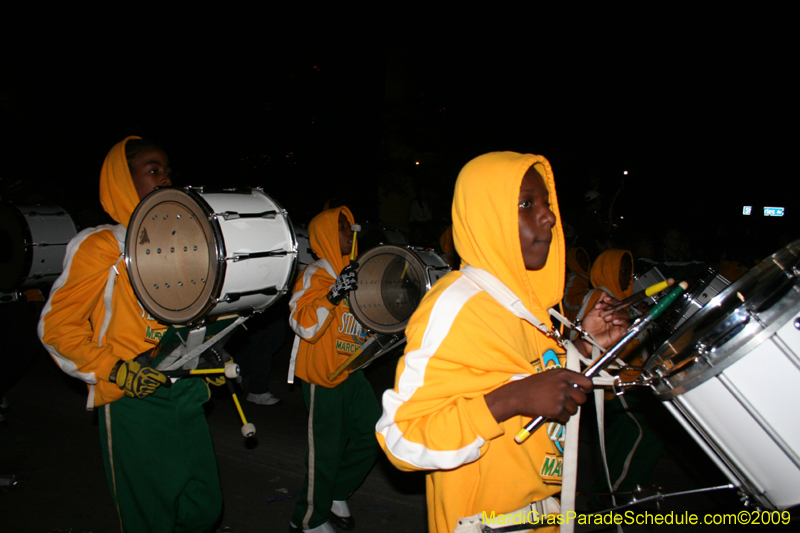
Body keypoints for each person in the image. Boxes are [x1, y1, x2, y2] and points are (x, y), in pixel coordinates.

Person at [376, 152, 630, 533]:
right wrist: (510, 401)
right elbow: (401, 438)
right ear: (486, 215)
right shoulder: (457, 305)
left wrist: (587, 347)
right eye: (526, 203)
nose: (548, 216)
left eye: (546, 203)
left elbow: (538, 375)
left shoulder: (530, 305)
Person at [38, 137, 222, 533]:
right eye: (153, 170)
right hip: (133, 399)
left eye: (168, 170)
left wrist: (208, 352)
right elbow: (56, 328)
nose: (166, 177)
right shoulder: (101, 245)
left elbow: (194, 319)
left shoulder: (183, 243)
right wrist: (114, 370)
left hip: (186, 392)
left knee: (204, 504)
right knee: (149, 515)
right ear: (123, 180)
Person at [287, 206, 382, 533]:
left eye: (350, 226)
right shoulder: (316, 273)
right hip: (321, 376)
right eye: (342, 227)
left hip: (351, 371)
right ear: (326, 233)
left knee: (374, 433)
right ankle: (306, 520)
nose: (351, 231)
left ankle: (337, 492)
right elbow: (303, 324)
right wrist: (333, 294)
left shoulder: (358, 270)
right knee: (324, 453)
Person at [562, 247, 591, 323]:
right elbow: (568, 301)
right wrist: (589, 298)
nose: (584, 261)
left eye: (585, 258)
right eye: (580, 259)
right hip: (574, 324)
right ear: (573, 261)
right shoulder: (574, 277)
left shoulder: (588, 277)